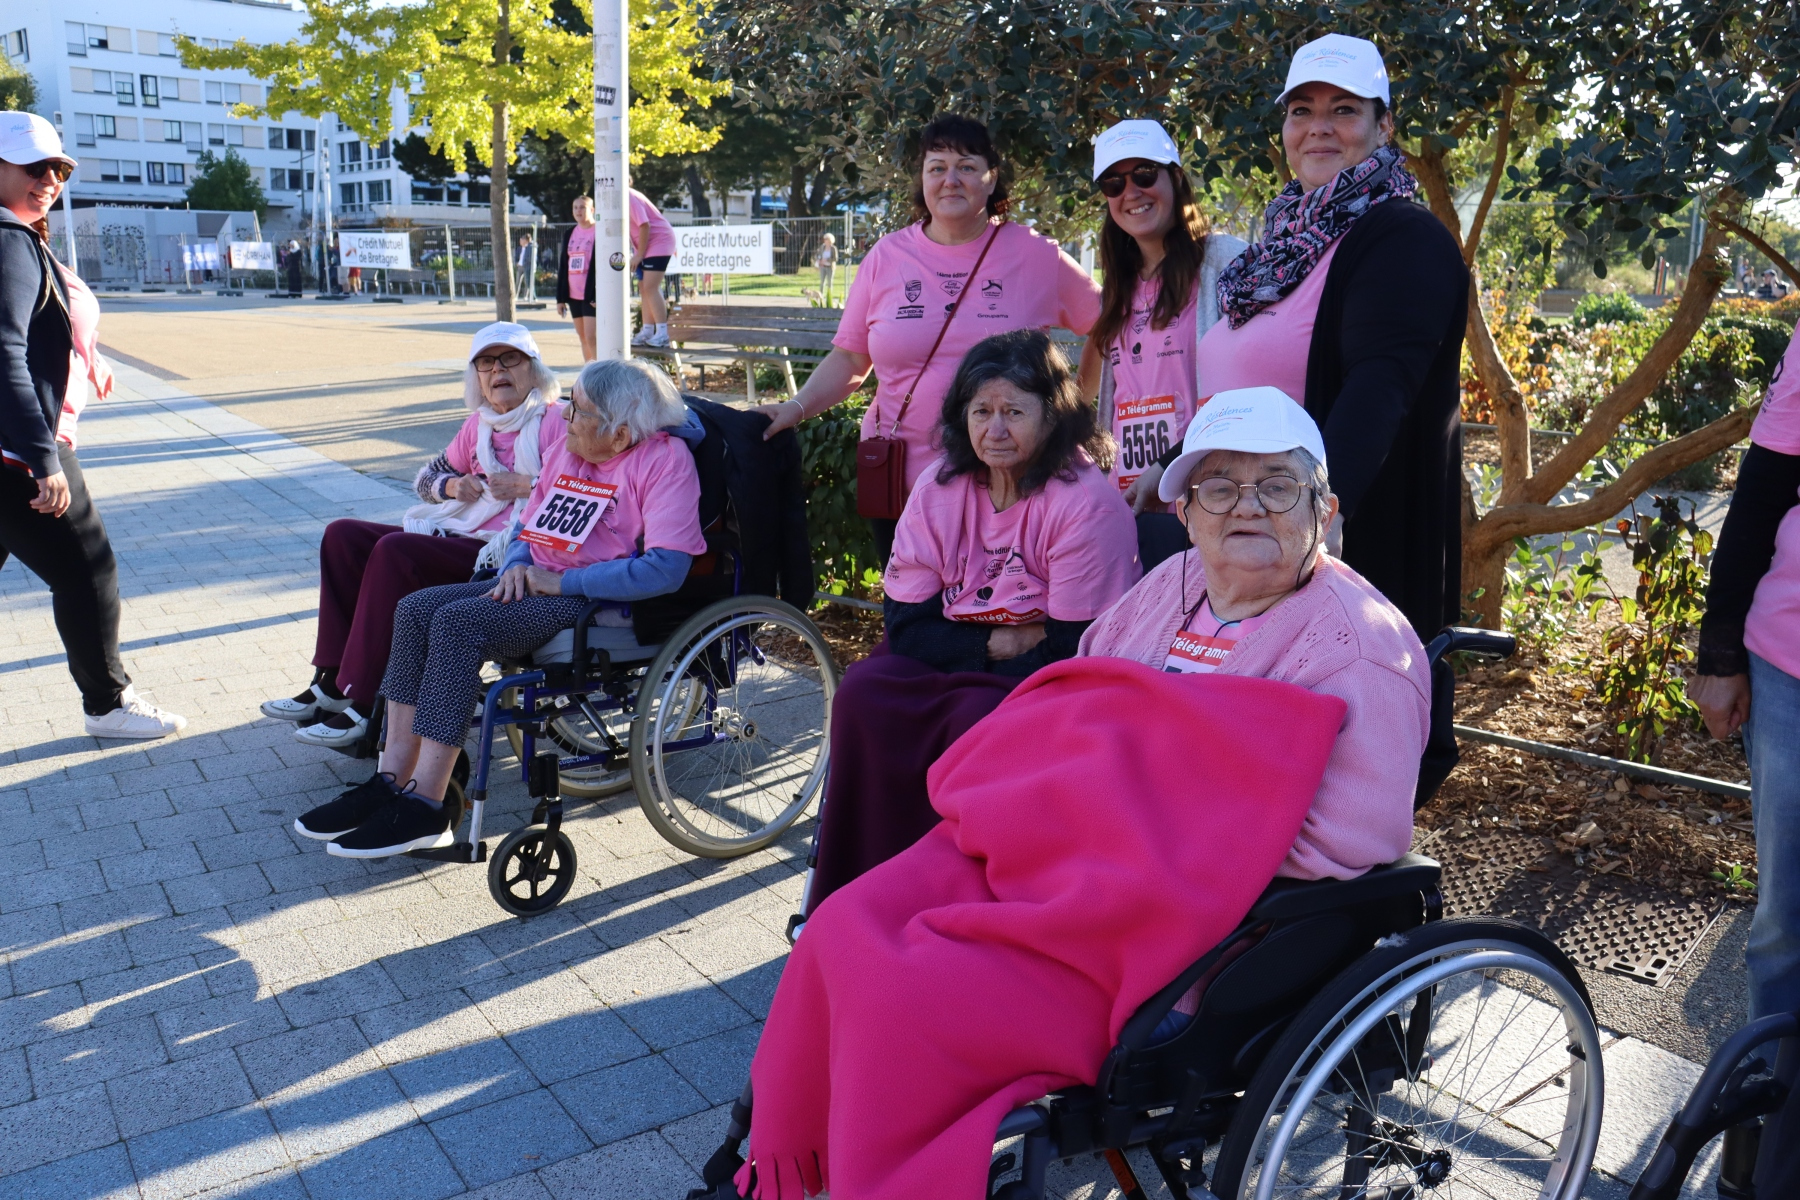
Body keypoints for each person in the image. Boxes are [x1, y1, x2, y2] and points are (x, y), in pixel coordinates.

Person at [731, 388, 1428, 1199]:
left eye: (1277, 485)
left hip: (1162, 933)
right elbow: (1079, 698)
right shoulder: (1172, 583)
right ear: (1186, 513)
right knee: (844, 924)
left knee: (907, 996)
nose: (1246, 506)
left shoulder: (1358, 651)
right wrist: (1072, 804)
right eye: (1218, 486)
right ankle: (798, 1152)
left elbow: (1353, 841)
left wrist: (1134, 828)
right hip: (1051, 862)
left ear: (1324, 510)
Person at [292, 359, 707, 857]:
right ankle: (392, 778)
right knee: (415, 609)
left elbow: (666, 569)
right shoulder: (569, 449)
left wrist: (563, 581)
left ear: (619, 435)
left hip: (592, 600)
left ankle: (428, 806)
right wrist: (516, 562)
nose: (566, 416)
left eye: (579, 411)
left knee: (456, 624)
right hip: (535, 581)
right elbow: (528, 526)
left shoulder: (665, 463)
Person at [1134, 34, 1469, 639]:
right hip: (1245, 548)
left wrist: (1319, 517)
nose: (1319, 127)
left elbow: (1379, 386)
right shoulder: (1288, 245)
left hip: (1323, 561)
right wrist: (1167, 465)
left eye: (1344, 109)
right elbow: (1256, 397)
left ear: (1384, 125)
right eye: (1301, 110)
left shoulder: (1400, 237)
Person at [802, 329, 1141, 917]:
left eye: (1014, 411)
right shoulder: (940, 487)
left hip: (1043, 681)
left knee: (975, 722)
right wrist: (1000, 641)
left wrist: (978, 644)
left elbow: (1072, 649)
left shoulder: (1083, 503)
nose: (995, 429)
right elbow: (906, 625)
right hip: (962, 651)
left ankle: (945, 900)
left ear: (1053, 413)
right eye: (981, 411)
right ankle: (857, 888)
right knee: (862, 692)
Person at [756, 114, 1104, 565]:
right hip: (902, 483)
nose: (950, 179)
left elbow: (1108, 325)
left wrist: (1072, 408)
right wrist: (796, 407)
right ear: (922, 179)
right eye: (936, 167)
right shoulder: (886, 257)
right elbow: (850, 360)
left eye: (966, 166)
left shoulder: (1037, 255)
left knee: (994, 606)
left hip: (1007, 483)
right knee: (908, 603)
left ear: (992, 177)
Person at [260, 322, 558, 748]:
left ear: (534, 369)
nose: (498, 370)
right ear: (476, 377)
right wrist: (452, 486)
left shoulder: (555, 421)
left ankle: (364, 700)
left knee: (395, 550)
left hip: (502, 555)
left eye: (510, 359)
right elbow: (426, 479)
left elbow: (586, 485)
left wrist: (529, 485)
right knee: (342, 535)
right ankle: (330, 679)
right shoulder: (479, 426)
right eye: (486, 363)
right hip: (459, 534)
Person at [0, 112, 187, 739]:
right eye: (33, 166)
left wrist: (85, 355)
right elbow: (3, 352)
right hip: (21, 447)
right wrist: (42, 458)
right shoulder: (8, 238)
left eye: (59, 168)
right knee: (89, 571)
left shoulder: (18, 233)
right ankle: (107, 705)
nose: (50, 179)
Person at [1079, 118, 1247, 568]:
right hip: (1130, 506)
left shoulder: (1227, 262)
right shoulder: (1117, 290)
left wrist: (1170, 465)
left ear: (1175, 178)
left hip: (1205, 497)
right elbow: (1090, 396)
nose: (1131, 192)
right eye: (1114, 183)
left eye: (1145, 174)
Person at [630, 187, 677, 348]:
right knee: (644, 287)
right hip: (645, 245)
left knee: (650, 286)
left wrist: (639, 255)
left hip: (659, 241)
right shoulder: (618, 195)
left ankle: (663, 334)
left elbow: (644, 224)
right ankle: (648, 331)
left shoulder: (629, 196)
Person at [557, 195, 599, 361]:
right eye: (575, 207)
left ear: (592, 210)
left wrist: (597, 293)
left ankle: (600, 370)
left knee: (591, 337)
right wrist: (560, 299)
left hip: (590, 294)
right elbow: (563, 266)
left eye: (582, 207)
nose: (578, 211)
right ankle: (589, 370)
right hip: (574, 294)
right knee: (583, 338)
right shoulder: (570, 233)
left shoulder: (599, 231)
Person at [815, 231, 838, 305]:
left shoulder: (833, 248)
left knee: (829, 282)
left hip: (830, 267)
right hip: (822, 267)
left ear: (830, 240)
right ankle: (821, 297)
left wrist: (827, 260)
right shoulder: (822, 247)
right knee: (822, 282)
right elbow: (818, 255)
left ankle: (829, 297)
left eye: (826, 239)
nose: (825, 240)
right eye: (824, 239)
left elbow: (835, 258)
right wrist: (819, 260)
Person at [515, 231, 537, 301]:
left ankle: (526, 296)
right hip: (520, 266)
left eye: (521, 240)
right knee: (518, 282)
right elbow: (516, 257)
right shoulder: (519, 248)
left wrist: (525, 262)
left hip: (526, 266)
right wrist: (516, 262)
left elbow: (529, 257)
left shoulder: (529, 247)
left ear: (525, 240)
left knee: (527, 282)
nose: (520, 242)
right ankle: (515, 296)